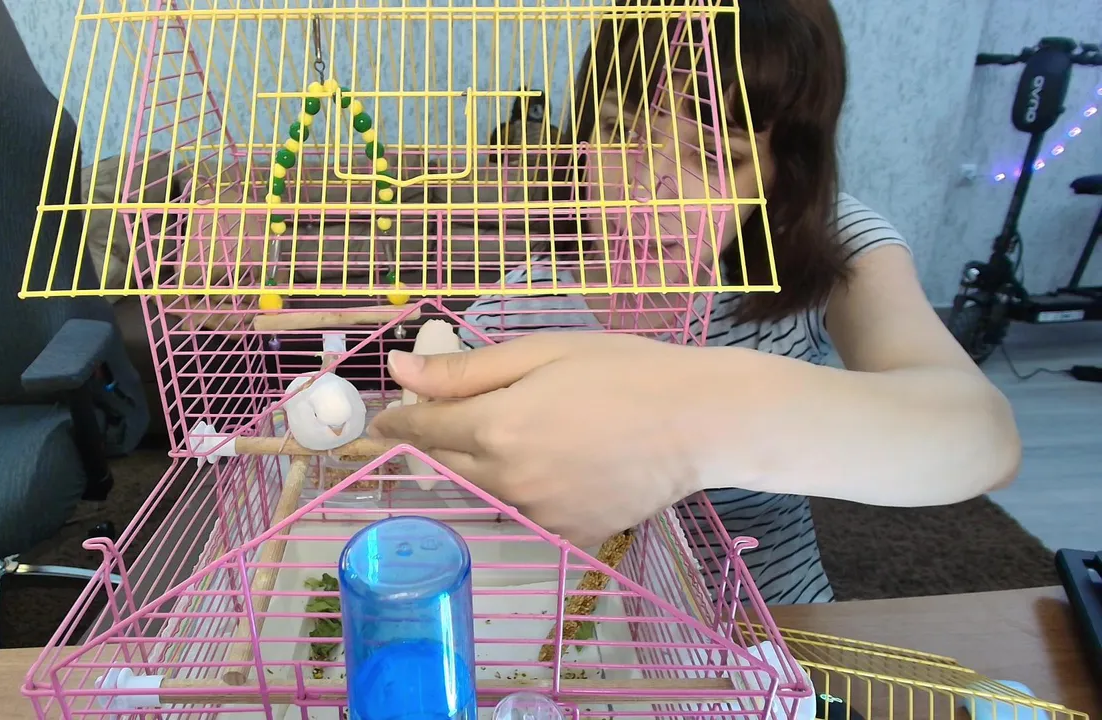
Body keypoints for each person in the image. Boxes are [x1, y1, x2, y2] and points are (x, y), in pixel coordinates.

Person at [369, 0, 1021, 605]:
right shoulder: (509, 316)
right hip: (585, 637)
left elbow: (980, 435)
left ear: (781, 178)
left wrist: (684, 424)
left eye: (711, 156)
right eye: (620, 131)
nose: (647, 189)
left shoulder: (828, 245)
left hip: (776, 624)